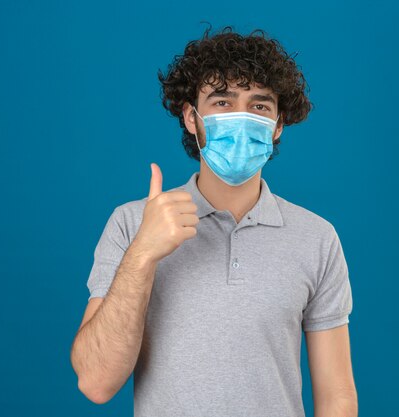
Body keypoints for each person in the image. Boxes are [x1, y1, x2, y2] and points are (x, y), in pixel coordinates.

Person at [70, 25, 357, 417]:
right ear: (192, 117)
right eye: (222, 102)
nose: (241, 118)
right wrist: (142, 254)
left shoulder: (317, 238)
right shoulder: (130, 223)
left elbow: (336, 397)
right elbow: (95, 382)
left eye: (259, 106)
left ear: (277, 126)